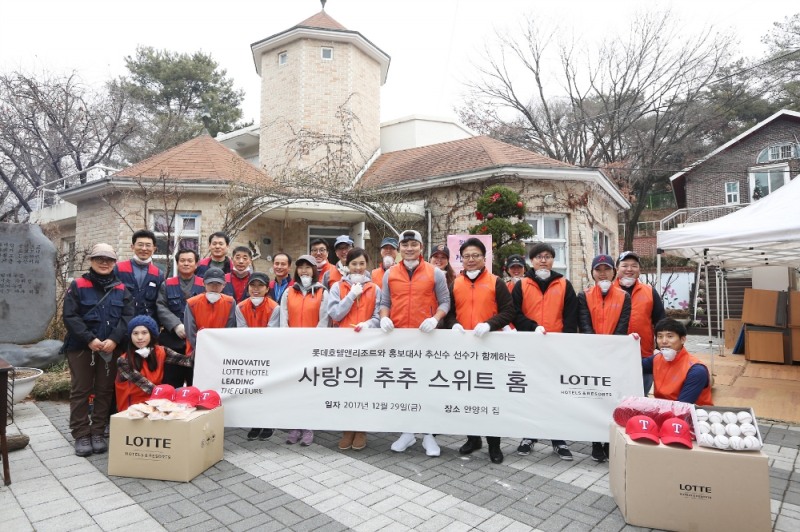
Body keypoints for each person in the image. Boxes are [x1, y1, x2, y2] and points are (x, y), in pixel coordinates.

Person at [380, 229, 450, 457]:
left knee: (427, 387)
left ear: (421, 247)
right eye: (405, 244)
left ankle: (428, 435)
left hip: (426, 339)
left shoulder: (435, 273)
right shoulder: (390, 274)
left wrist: (435, 318)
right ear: (399, 248)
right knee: (404, 387)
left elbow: (445, 302)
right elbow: (385, 301)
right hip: (399, 340)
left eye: (414, 244)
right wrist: (384, 318)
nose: (409, 248)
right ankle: (408, 433)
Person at [444, 238, 515, 464]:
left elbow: (509, 311)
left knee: (489, 397)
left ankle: (494, 445)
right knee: (467, 395)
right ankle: (473, 439)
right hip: (464, 349)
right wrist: (453, 323)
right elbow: (449, 312)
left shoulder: (496, 282)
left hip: (490, 348)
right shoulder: (455, 283)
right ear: (461, 259)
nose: (471, 260)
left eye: (476, 255)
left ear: (484, 258)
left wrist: (490, 324)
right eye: (467, 256)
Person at [62, 243, 134, 457]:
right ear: (91, 261)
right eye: (99, 258)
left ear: (114, 263)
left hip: (110, 349)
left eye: (109, 259)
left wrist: (114, 339)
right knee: (81, 391)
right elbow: (70, 316)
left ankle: (98, 431)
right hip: (81, 348)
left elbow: (127, 317)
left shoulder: (121, 289)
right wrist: (89, 339)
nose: (104, 263)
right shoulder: (78, 285)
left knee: (104, 390)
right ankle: (81, 433)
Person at [511, 243, 578, 461]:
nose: (543, 260)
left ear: (553, 261)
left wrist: (562, 343)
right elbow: (515, 314)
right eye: (538, 256)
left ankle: (558, 438)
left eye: (548, 256)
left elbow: (571, 317)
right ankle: (529, 435)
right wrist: (532, 328)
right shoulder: (522, 285)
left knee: (554, 393)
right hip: (529, 347)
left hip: (555, 349)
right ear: (531, 261)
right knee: (531, 393)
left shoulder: (564, 284)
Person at [578, 253, 632, 462]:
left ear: (614, 272)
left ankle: (609, 440)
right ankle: (595, 443)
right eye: (598, 270)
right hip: (591, 356)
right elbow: (584, 325)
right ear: (592, 273)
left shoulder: (623, 297)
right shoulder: (584, 295)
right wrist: (595, 350)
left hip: (614, 356)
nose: (602, 273)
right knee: (593, 398)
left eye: (607, 269)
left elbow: (622, 327)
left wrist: (611, 350)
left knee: (611, 399)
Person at [327, 248, 381, 451]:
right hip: (344, 346)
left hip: (367, 346)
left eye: (361, 263)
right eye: (353, 264)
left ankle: (361, 429)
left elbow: (378, 316)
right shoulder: (336, 288)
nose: (358, 267)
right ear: (347, 266)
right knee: (346, 389)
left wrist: (368, 324)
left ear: (367, 265)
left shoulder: (375, 289)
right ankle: (347, 429)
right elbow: (335, 315)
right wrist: (350, 296)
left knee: (364, 389)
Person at [278, 254, 329, 446]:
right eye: (301, 267)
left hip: (312, 349)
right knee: (293, 387)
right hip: (292, 348)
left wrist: (312, 343)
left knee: (310, 388)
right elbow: (284, 319)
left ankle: (308, 426)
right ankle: (294, 426)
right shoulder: (289, 292)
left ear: (315, 270)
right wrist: (289, 340)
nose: (304, 271)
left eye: (308, 267)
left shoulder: (323, 292)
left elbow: (324, 321)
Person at [235, 272, 280, 441]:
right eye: (252, 285)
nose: (256, 289)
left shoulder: (274, 307)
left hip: (268, 353)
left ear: (267, 288)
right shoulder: (240, 307)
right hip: (249, 353)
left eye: (260, 286)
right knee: (253, 390)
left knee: (268, 389)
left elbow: (271, 332)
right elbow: (242, 331)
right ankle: (255, 422)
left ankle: (268, 422)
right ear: (247, 288)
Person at [615, 251, 666, 395]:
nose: (629, 269)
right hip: (615, 353)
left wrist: (660, 346)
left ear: (639, 270)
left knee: (642, 393)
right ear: (617, 269)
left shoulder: (650, 292)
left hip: (643, 353)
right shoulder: (609, 291)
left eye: (634, 266)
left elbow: (661, 321)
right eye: (625, 265)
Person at [115, 315, 192, 411]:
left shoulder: (161, 351)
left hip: (155, 405)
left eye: (144, 333)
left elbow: (187, 361)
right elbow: (146, 386)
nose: (139, 337)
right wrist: (174, 394)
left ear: (152, 334)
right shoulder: (123, 360)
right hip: (132, 410)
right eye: (135, 333)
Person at [156, 248, 205, 387]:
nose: (186, 263)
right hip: (172, 342)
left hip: (197, 343)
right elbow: (161, 306)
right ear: (177, 263)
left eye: (190, 260)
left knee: (195, 384)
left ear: (196, 264)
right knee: (171, 383)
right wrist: (176, 325)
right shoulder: (167, 284)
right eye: (182, 260)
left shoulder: (204, 285)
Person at [184, 268, 237, 383]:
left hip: (221, 352)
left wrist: (217, 349)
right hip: (197, 352)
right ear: (204, 283)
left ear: (224, 285)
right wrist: (202, 348)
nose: (214, 287)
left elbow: (229, 328)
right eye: (210, 283)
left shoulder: (230, 302)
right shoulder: (192, 303)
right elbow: (190, 331)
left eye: (218, 284)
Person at [643, 319, 713, 405]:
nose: (664, 341)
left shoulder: (696, 369)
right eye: (660, 336)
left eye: (670, 336)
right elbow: (632, 365)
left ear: (682, 339)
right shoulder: (657, 359)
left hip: (693, 414)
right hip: (663, 409)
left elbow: (682, 406)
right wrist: (632, 343)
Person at [113, 229, 164, 323]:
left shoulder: (158, 274)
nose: (144, 248)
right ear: (132, 247)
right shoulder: (119, 268)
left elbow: (159, 304)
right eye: (140, 244)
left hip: (147, 325)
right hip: (121, 323)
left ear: (154, 248)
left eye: (148, 245)